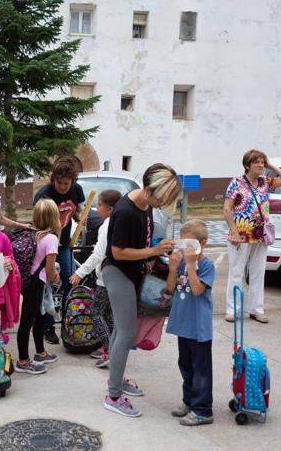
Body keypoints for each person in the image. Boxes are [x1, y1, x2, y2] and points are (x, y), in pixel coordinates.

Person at [102, 163, 181, 418]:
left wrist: (158, 254)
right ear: (148, 189)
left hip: (131, 273)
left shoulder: (146, 205)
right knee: (126, 333)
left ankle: (116, 378)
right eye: (162, 198)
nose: (163, 203)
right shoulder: (126, 210)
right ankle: (113, 395)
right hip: (117, 273)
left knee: (120, 331)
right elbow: (117, 252)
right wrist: (153, 252)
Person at [223, 150, 281, 324]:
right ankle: (232, 310)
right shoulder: (236, 183)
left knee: (258, 273)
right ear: (247, 165)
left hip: (261, 234)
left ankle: (256, 309)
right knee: (236, 273)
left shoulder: (265, 182)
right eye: (257, 162)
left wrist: (271, 165)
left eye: (262, 162)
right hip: (241, 234)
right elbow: (226, 209)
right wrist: (234, 232)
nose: (261, 165)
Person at [165, 219, 216, 426]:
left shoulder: (205, 265)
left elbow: (197, 290)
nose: (186, 249)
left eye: (191, 245)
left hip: (199, 328)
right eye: (183, 244)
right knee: (186, 366)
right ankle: (189, 402)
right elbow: (170, 289)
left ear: (203, 244)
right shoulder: (182, 264)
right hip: (183, 325)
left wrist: (191, 265)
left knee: (200, 370)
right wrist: (173, 268)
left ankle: (203, 410)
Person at [33, 156, 86, 345]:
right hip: (46, 245)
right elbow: (36, 223)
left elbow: (78, 210)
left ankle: (67, 323)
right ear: (53, 179)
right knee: (46, 286)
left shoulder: (76, 190)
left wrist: (80, 217)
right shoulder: (44, 195)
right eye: (60, 183)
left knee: (70, 282)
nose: (64, 187)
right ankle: (48, 326)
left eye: (67, 183)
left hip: (64, 245)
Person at [70, 189, 122, 368]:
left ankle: (110, 351)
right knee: (108, 315)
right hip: (116, 277)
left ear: (110, 209)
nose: (95, 208)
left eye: (99, 204)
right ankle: (109, 346)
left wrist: (80, 272)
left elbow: (98, 254)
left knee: (96, 312)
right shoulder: (117, 222)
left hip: (104, 278)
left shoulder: (107, 224)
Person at [16, 198, 61, 375]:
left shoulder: (32, 233)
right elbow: (50, 269)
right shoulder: (51, 238)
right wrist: (56, 278)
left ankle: (40, 352)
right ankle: (23, 360)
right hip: (36, 283)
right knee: (27, 321)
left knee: (40, 316)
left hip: (28, 280)